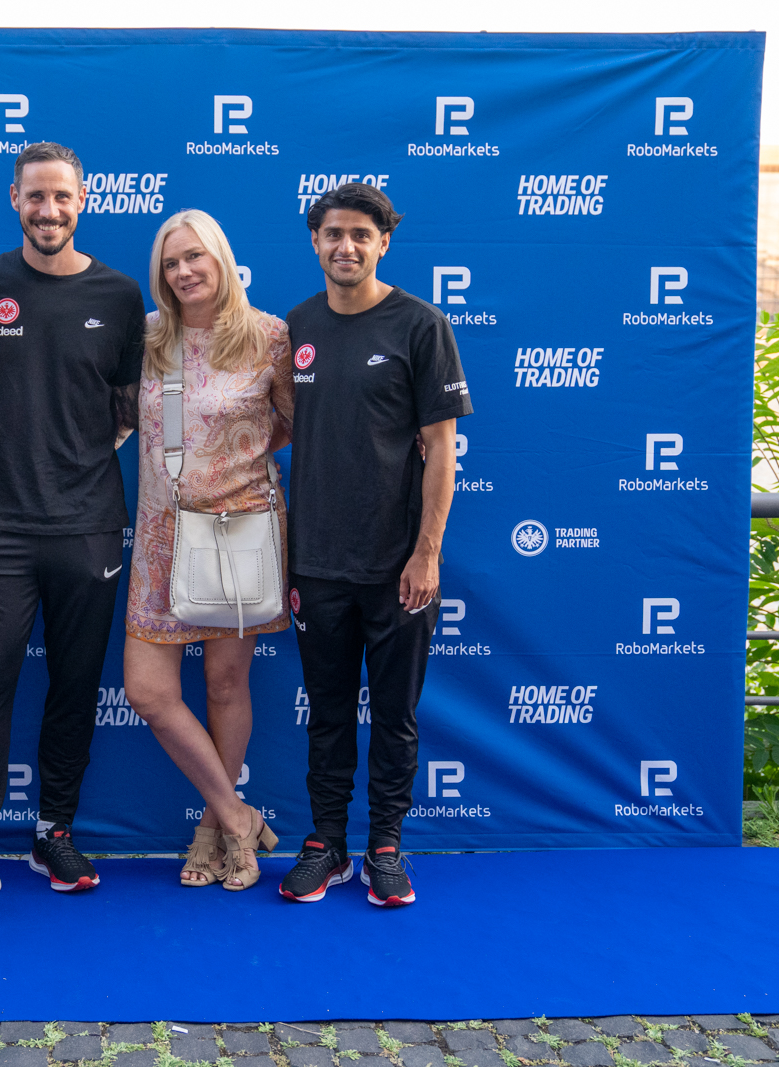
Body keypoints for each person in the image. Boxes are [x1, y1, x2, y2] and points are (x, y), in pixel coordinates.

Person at [0, 142, 145, 919]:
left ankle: (54, 829)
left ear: (83, 200)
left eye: (62, 197)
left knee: (76, 683)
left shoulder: (120, 294)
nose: (48, 210)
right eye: (35, 197)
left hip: (89, 526)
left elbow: (127, 408)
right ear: (14, 199)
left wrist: (72, 458)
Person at [278, 183, 472, 907]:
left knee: (395, 715)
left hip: (398, 568)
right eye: (334, 233)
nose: (346, 246)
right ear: (315, 242)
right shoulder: (296, 325)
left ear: (383, 242)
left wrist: (426, 553)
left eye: (361, 234)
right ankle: (326, 843)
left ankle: (385, 845)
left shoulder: (421, 325)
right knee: (327, 715)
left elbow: (442, 449)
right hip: (317, 564)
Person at [122, 209, 292, 891]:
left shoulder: (269, 337)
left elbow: (294, 422)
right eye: (170, 262)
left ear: (221, 257)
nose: (184, 271)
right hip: (159, 538)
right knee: (147, 691)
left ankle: (212, 831)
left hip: (236, 532)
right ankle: (237, 814)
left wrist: (234, 464)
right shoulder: (147, 339)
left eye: (195, 256)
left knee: (225, 685)